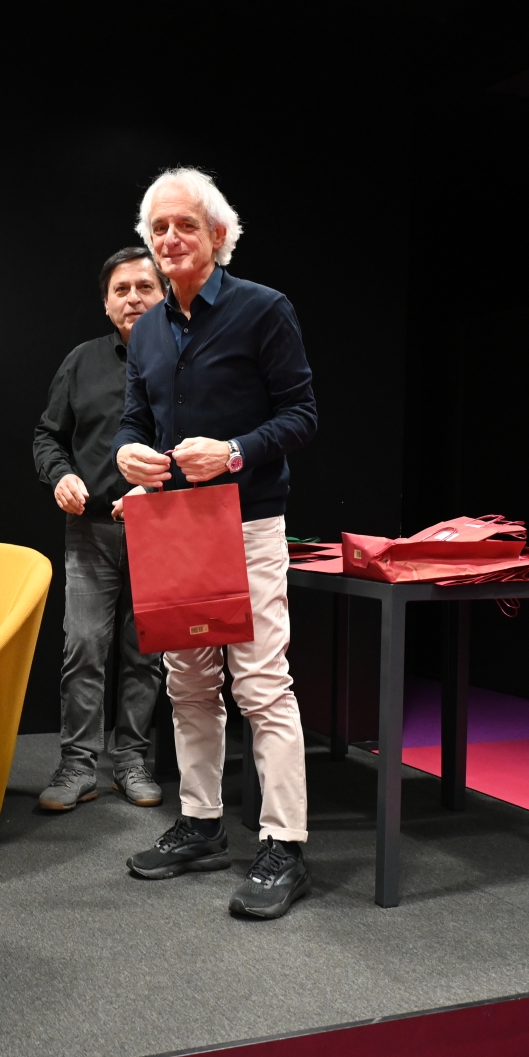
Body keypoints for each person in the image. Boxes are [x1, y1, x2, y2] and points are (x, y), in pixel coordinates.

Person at [113, 167, 318, 920]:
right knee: (189, 684)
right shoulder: (147, 329)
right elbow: (135, 420)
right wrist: (127, 454)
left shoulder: (264, 309)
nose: (170, 239)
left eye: (185, 226)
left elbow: (302, 414)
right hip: (176, 526)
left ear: (218, 235)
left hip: (249, 518)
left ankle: (284, 844)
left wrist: (233, 452)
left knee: (261, 685)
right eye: (159, 228)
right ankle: (201, 824)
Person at [32, 246, 168, 812]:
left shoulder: (187, 360)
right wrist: (61, 476)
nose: (133, 298)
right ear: (107, 303)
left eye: (145, 287)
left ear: (165, 294)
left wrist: (156, 488)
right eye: (121, 290)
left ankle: (131, 761)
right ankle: (78, 765)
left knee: (145, 652)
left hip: (163, 530)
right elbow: (48, 436)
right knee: (83, 647)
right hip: (90, 530)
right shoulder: (82, 361)